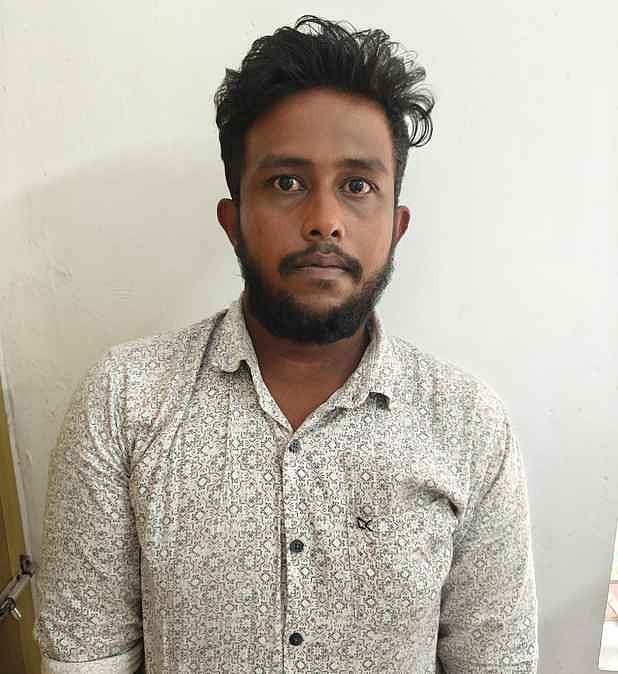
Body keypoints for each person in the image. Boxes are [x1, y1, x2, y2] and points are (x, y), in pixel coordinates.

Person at [34, 15, 538, 673]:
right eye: (286, 183)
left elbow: (495, 662)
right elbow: (85, 657)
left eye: (358, 186)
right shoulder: (125, 399)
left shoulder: (469, 426)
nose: (324, 221)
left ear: (396, 225)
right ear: (233, 221)